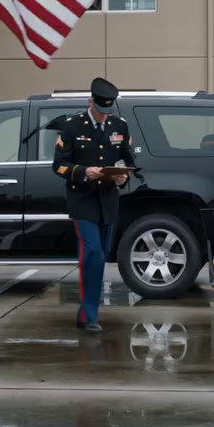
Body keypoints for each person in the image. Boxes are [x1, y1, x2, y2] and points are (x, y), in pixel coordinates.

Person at [52, 77, 134, 333]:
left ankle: (85, 311)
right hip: (82, 200)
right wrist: (83, 172)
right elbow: (59, 165)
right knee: (93, 252)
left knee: (98, 256)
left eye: (107, 110)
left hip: (107, 200)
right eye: (100, 110)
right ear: (90, 102)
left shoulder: (120, 126)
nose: (104, 115)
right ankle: (90, 314)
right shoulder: (72, 126)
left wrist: (123, 176)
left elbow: (128, 160)